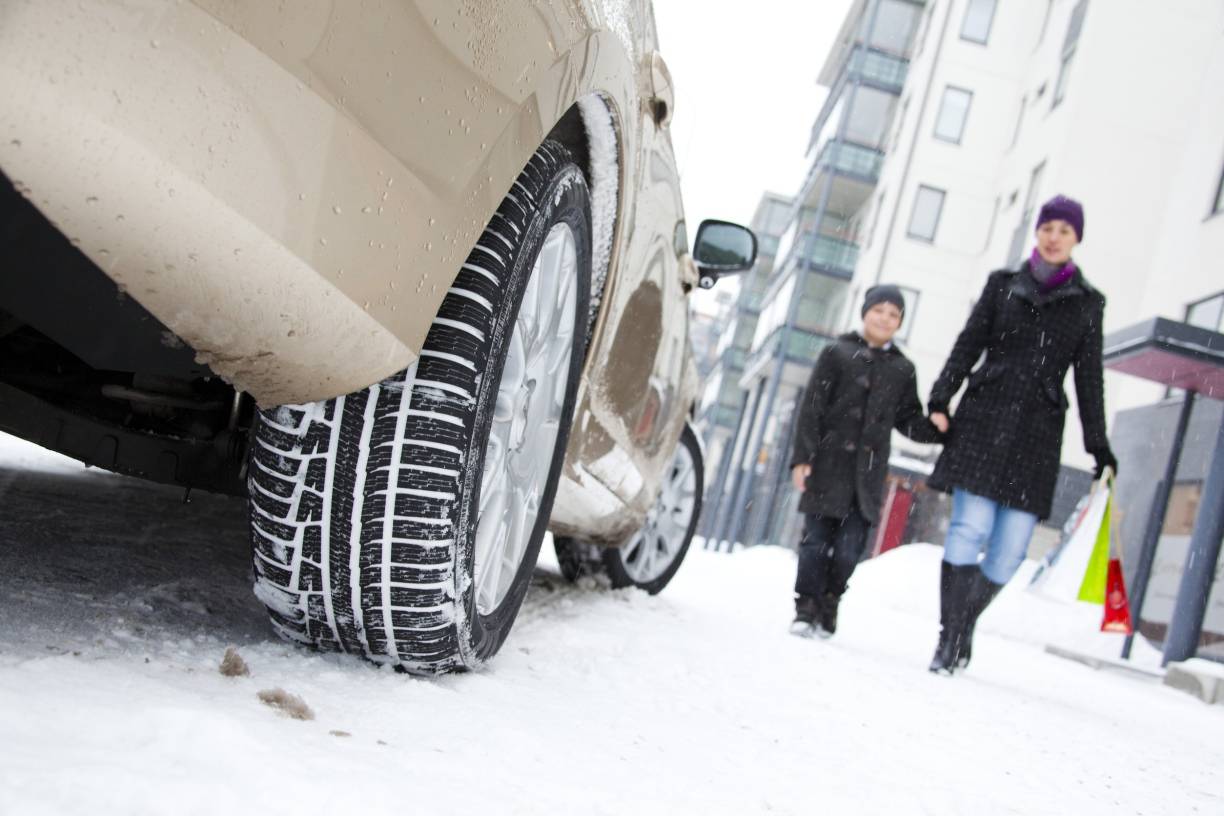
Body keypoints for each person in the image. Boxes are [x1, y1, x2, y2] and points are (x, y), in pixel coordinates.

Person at [924, 194, 1116, 674]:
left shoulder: (1088, 304)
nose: (1053, 237)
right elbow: (969, 342)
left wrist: (1100, 449)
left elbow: (1089, 379)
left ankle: (963, 624)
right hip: (984, 417)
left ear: (1076, 240)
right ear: (1037, 232)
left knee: (1010, 550)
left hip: (1037, 431)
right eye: (1047, 227)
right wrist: (941, 397)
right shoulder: (1002, 285)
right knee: (970, 528)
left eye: (1064, 231)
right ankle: (948, 640)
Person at [789, 285, 944, 637]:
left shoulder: (903, 369)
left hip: (868, 477)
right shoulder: (836, 353)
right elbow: (812, 408)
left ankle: (830, 601)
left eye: (894, 314)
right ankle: (806, 607)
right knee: (815, 543)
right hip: (827, 468)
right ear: (865, 312)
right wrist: (803, 458)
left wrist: (937, 430)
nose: (885, 318)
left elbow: (908, 419)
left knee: (848, 550)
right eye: (880, 310)